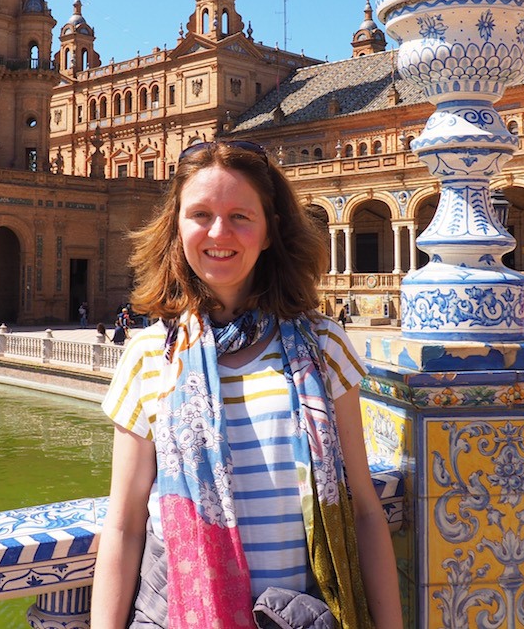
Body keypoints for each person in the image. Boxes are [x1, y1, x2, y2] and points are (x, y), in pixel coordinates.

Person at [92, 140, 402, 629]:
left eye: (240, 215)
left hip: (300, 617)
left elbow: (364, 511)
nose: (219, 232)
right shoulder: (150, 355)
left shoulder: (324, 347)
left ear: (269, 231)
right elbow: (125, 525)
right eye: (200, 214)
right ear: (176, 226)